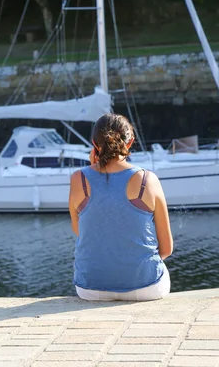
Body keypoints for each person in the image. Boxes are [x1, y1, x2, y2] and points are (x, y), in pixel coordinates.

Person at [68, 113, 174, 301]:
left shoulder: (79, 179)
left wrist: (93, 169)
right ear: (130, 141)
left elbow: (82, 232)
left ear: (94, 144)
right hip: (146, 287)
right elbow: (166, 249)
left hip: (91, 289)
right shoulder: (147, 180)